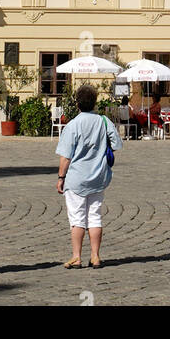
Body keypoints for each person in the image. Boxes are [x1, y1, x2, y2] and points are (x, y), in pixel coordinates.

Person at [56, 84, 122, 268]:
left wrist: (61, 177)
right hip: (98, 177)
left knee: (77, 218)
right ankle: (95, 256)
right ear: (94, 103)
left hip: (76, 178)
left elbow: (66, 156)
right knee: (94, 216)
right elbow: (116, 144)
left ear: (77, 103)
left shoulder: (73, 125)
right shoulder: (104, 121)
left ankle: (76, 256)